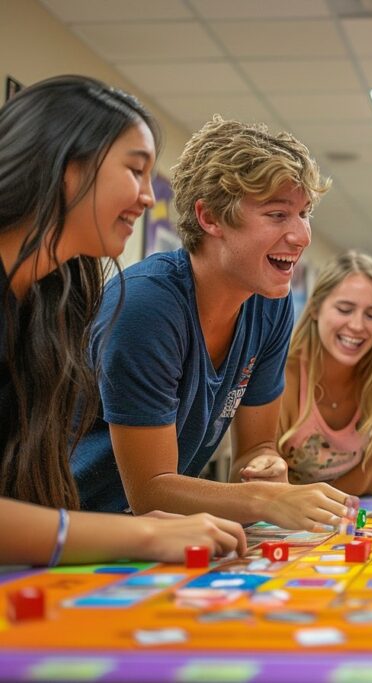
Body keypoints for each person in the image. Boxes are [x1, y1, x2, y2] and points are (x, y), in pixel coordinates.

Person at [0, 75, 245, 565]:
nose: (149, 198)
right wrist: (140, 537)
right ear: (66, 167)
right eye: (135, 171)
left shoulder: (56, 297)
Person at [72, 116, 355, 532]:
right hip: (75, 531)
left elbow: (255, 449)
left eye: (304, 213)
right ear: (210, 218)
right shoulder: (147, 305)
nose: (301, 235)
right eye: (278, 214)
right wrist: (267, 498)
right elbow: (150, 491)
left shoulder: (270, 301)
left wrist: (266, 466)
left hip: (157, 534)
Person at [270, 251, 372, 493]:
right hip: (279, 523)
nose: (357, 326)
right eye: (345, 309)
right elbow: (264, 488)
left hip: (343, 515)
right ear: (316, 309)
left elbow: (369, 481)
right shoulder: (281, 374)